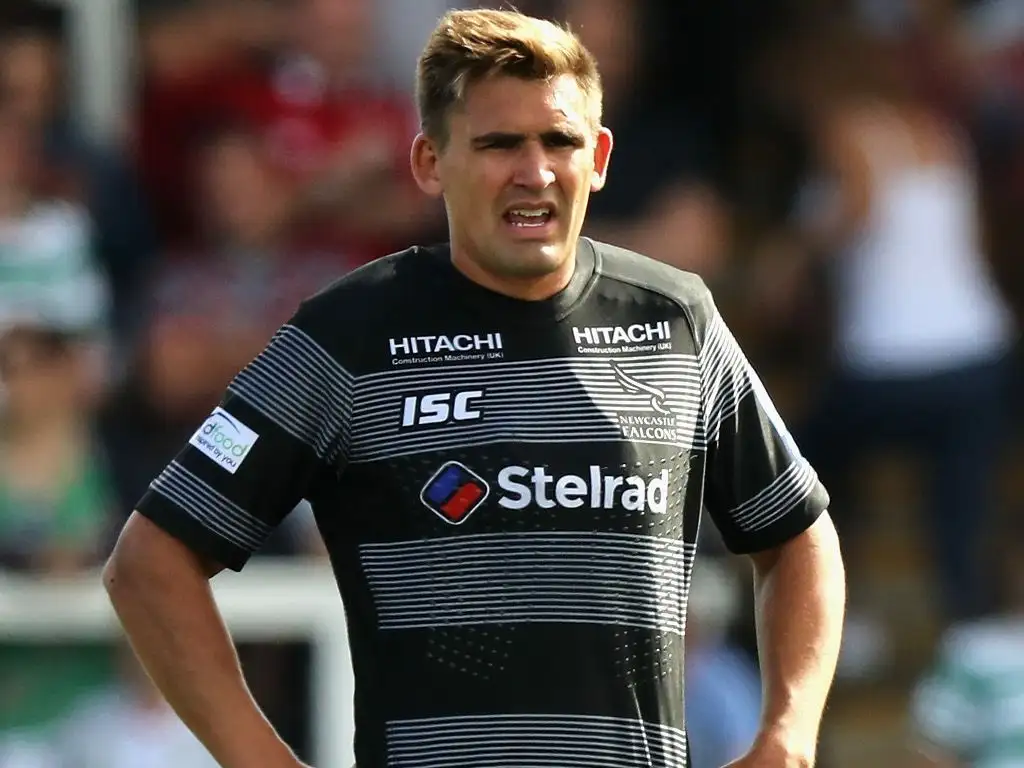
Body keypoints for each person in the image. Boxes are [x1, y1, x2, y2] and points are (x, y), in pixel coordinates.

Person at [102, 9, 846, 768]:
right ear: (429, 161)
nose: (535, 171)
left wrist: (788, 735)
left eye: (559, 141)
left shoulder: (674, 319)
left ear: (599, 157)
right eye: (499, 144)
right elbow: (150, 563)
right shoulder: (349, 333)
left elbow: (798, 536)